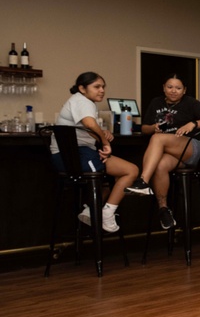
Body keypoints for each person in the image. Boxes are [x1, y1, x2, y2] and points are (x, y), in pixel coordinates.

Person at [50, 72, 140, 232]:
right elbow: (89, 123)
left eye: (103, 87)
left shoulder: (80, 101)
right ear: (82, 88)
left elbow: (85, 128)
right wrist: (105, 143)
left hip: (72, 155)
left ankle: (91, 210)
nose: (102, 90)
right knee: (130, 171)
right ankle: (107, 213)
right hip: (74, 157)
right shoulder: (83, 101)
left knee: (109, 180)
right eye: (97, 87)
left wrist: (102, 132)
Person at [126, 74, 200, 230]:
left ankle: (143, 181)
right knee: (160, 165)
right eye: (170, 87)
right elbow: (145, 128)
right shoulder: (156, 102)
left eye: (178, 88)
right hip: (172, 152)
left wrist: (192, 124)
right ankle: (164, 209)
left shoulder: (191, 103)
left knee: (158, 139)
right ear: (164, 88)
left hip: (192, 148)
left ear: (184, 90)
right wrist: (153, 128)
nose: (174, 91)